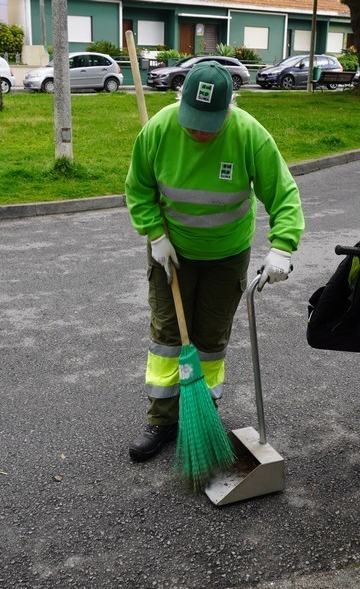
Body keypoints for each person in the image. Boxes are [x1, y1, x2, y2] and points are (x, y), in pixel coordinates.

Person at [124, 61, 305, 462]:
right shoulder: (159, 129)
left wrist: (282, 247)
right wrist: (155, 235)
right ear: (181, 101)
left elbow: (284, 194)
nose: (199, 132)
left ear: (229, 108)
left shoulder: (249, 135)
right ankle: (161, 420)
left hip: (226, 255)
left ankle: (201, 416)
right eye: (193, 122)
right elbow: (138, 188)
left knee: (209, 341)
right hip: (172, 251)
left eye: (209, 124)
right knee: (167, 339)